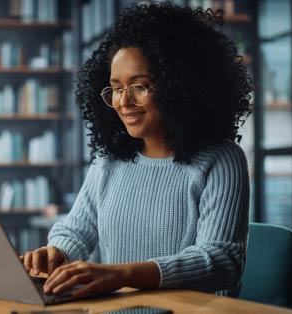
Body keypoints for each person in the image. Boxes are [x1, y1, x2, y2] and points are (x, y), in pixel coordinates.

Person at [21, 2, 253, 298]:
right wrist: (57, 254)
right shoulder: (108, 163)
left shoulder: (221, 159)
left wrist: (120, 275)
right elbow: (75, 231)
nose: (123, 101)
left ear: (179, 85)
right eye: (116, 88)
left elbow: (221, 261)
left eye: (139, 86)